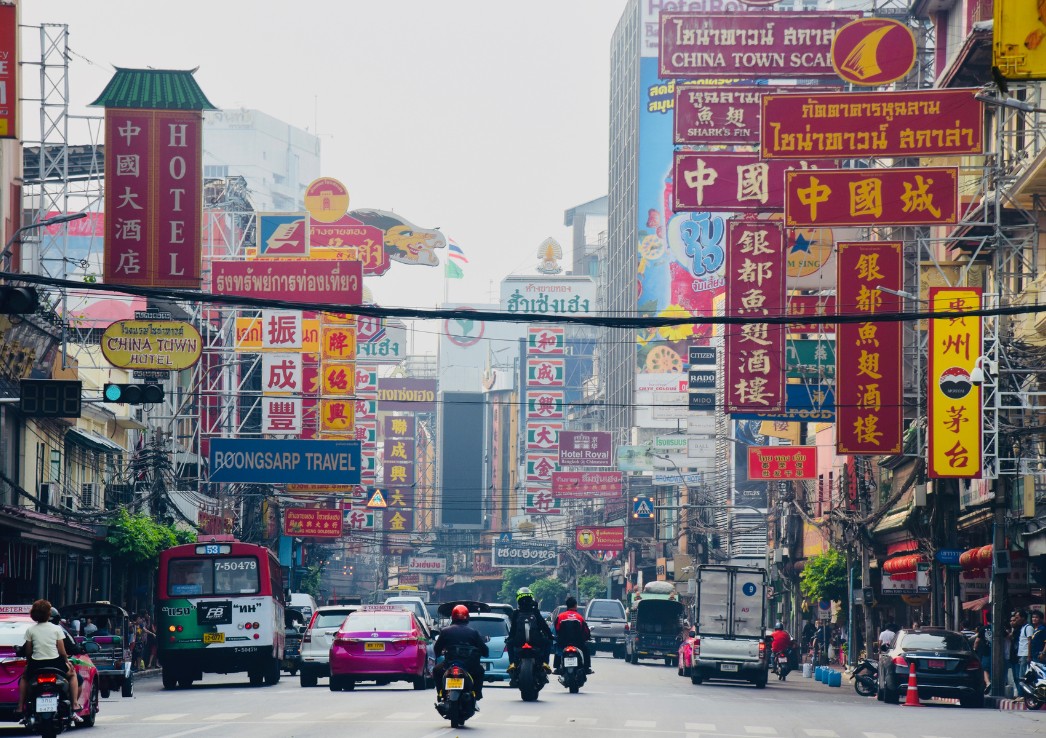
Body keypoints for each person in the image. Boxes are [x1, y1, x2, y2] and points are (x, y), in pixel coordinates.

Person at [19, 600, 81, 724]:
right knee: (73, 675)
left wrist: (29, 663)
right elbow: (62, 651)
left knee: (24, 678)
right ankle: (74, 705)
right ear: (48, 614)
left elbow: (28, 651)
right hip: (56, 664)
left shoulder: (30, 630)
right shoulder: (57, 629)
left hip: (36, 666)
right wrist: (66, 661)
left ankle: (20, 707)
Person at [432, 604, 488, 704]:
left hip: (449, 665)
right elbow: (485, 651)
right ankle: (477, 693)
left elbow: (437, 649)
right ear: (467, 618)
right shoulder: (473, 633)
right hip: (469, 666)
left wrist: (439, 654)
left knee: (436, 670)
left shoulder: (445, 631)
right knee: (480, 671)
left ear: (453, 617)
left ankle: (440, 693)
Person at [507, 587, 553, 686]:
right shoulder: (535, 612)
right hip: (536, 640)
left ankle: (513, 663)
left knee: (509, 644)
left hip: (519, 641)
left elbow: (513, 629)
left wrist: (509, 639)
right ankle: (545, 662)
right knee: (548, 643)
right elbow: (543, 626)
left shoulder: (516, 613)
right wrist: (550, 636)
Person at [553, 596, 592, 675]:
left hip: (563, 642)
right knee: (586, 649)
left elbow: (556, 629)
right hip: (578, 643)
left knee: (558, 650)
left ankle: (557, 668)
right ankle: (587, 668)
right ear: (575, 605)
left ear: (567, 605)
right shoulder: (579, 617)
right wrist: (588, 637)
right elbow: (586, 631)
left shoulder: (560, 616)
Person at [973, 625, 991, 690]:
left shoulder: (983, 628)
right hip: (999, 652)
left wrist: (974, 650)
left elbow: (977, 641)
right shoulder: (999, 627)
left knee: (985, 669)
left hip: (986, 652)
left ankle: (988, 682)